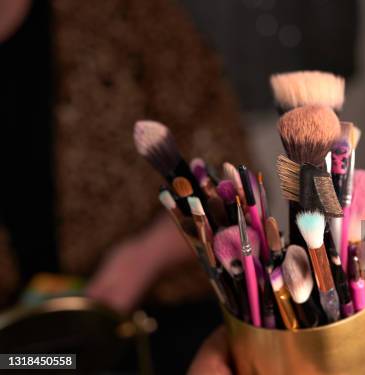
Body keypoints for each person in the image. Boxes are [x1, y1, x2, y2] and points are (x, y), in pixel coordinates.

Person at [0, 0, 249, 372]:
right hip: (26, 355)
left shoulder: (126, 12)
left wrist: (139, 261)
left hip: (161, 321)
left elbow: (225, 179)